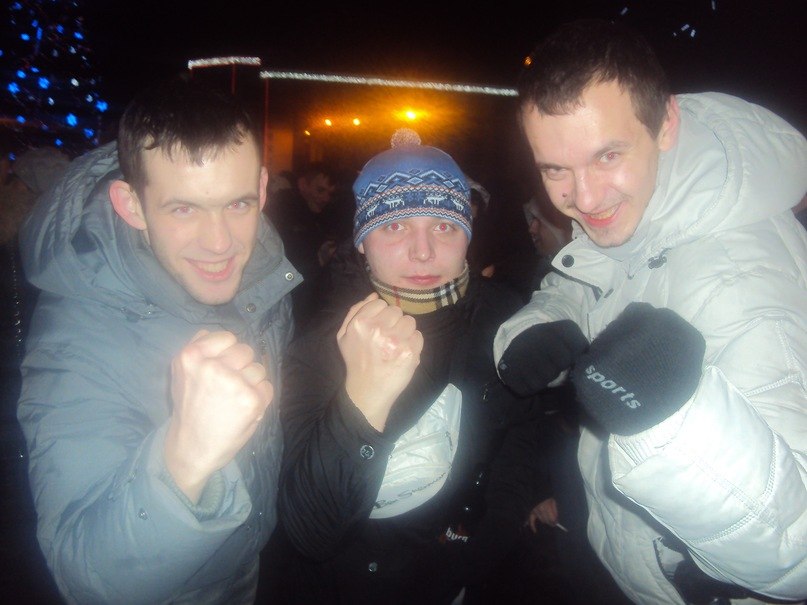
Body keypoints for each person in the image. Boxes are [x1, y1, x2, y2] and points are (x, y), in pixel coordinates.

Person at [494, 18, 807, 605]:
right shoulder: (646, 210)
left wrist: (672, 422)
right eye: (555, 169)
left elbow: (799, 554)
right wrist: (541, 324)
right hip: (621, 561)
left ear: (666, 122)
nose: (583, 199)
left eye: (607, 155)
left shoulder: (743, 279)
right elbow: (595, 272)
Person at [16, 76, 300, 604]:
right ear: (131, 205)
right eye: (183, 209)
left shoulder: (262, 268)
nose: (220, 243)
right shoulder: (77, 338)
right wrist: (185, 457)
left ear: (262, 190)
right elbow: (85, 577)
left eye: (238, 204)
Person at [267, 128, 536, 604]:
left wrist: (479, 550)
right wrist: (362, 398)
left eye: (444, 226)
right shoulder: (322, 341)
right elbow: (311, 531)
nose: (423, 251)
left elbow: (524, 429)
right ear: (362, 241)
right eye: (395, 227)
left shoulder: (500, 314)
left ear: (468, 233)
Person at [266, 161, 350, 329]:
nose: (325, 198)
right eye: (320, 190)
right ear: (303, 185)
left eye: (330, 193)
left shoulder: (321, 217)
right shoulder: (284, 212)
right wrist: (318, 261)